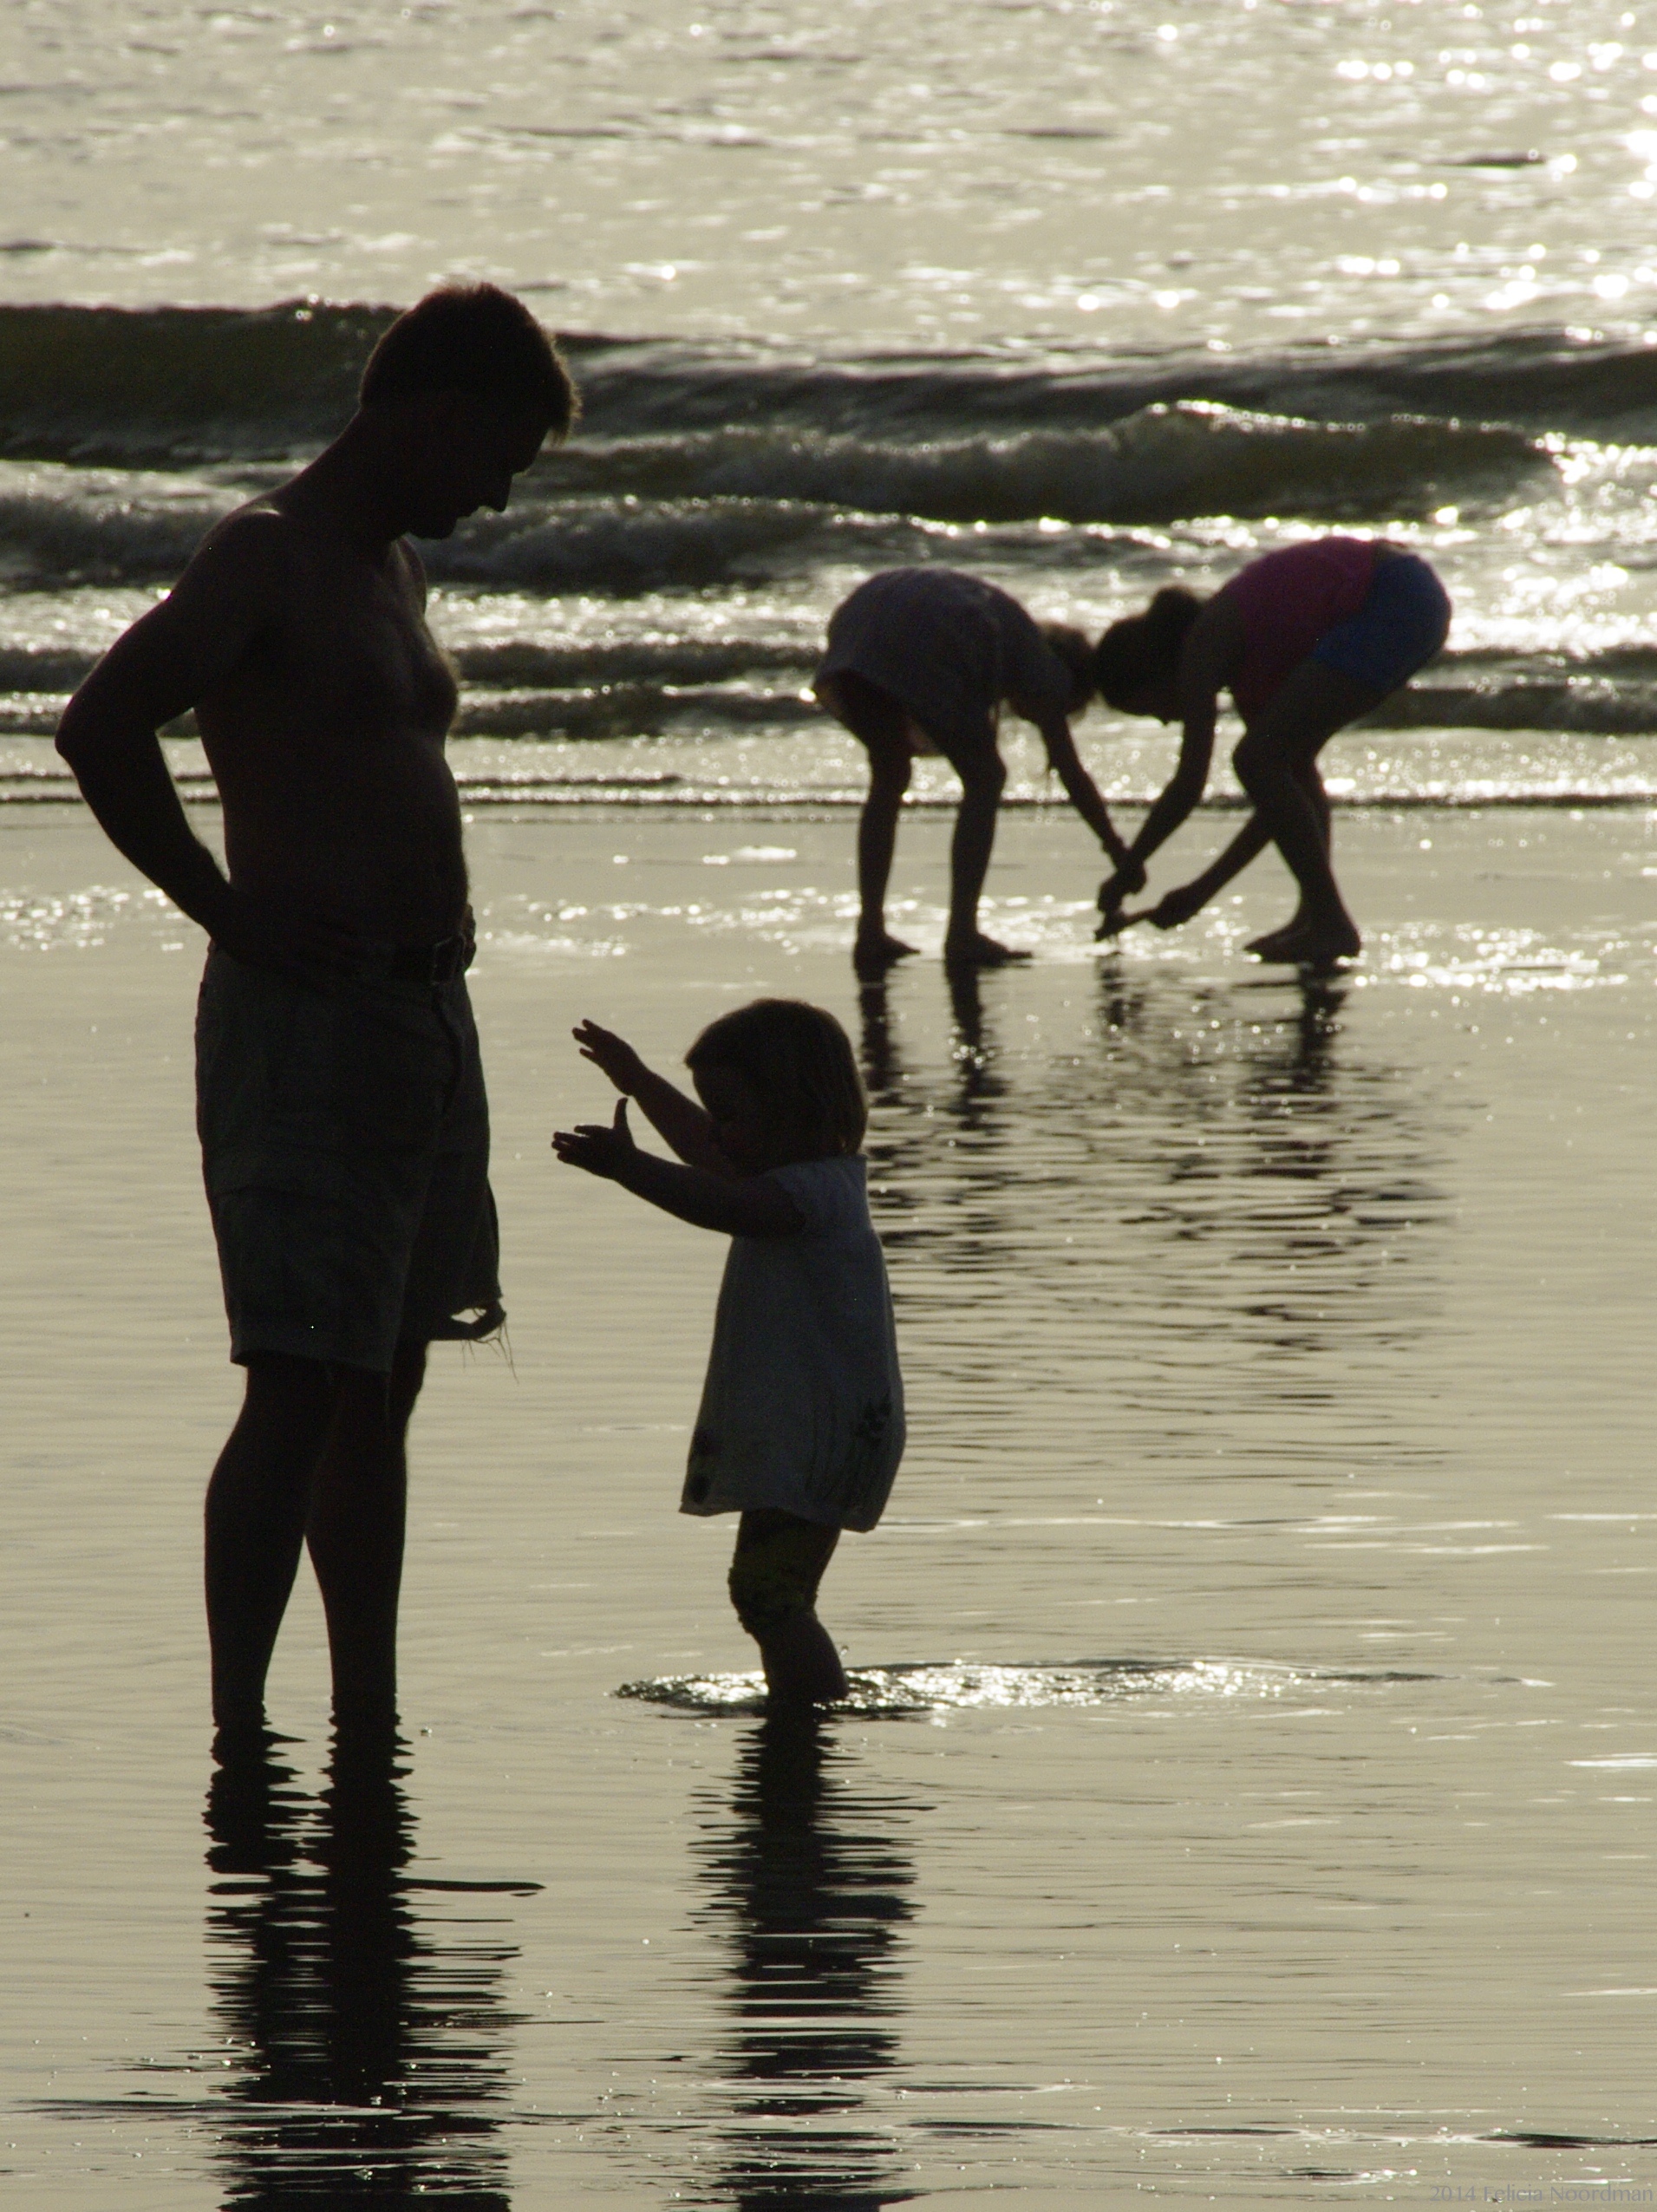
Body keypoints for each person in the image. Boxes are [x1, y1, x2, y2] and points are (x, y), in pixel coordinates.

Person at [55, 284, 578, 1745]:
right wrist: (225, 909)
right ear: (436, 414)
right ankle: (240, 1724)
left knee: (383, 1380)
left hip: (423, 1015)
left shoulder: (392, 562)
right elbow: (100, 724)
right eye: (497, 459)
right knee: (296, 1375)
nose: (496, 497)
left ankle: (365, 1715)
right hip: (308, 1022)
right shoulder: (267, 553)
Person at [551, 1001, 904, 1709]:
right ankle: (804, 1713)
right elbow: (706, 1154)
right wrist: (639, 1081)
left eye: (732, 1114)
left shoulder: (813, 1193)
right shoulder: (797, 1178)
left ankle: (807, 1720)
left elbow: (721, 1203)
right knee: (772, 1592)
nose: (715, 1132)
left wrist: (630, 1168)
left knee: (769, 1594)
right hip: (812, 1429)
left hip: (822, 1434)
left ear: (794, 1110)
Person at [1093, 537, 1452, 965]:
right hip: (1413, 595)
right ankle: (1315, 916)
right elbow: (1280, 803)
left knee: (1257, 759)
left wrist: (1128, 868)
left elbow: (1189, 785)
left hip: (1393, 597)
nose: (1166, 722)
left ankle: (1330, 921)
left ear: (1152, 673)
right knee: (1283, 765)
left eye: (1151, 710)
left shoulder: (1202, 647)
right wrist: (1200, 892)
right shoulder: (1246, 668)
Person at [814, 566, 1139, 974]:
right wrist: (1117, 849)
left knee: (889, 773)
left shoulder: (1009, 636)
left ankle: (870, 931)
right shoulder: (1045, 665)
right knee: (986, 778)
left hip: (863, 622)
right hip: (929, 631)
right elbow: (1070, 770)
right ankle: (962, 933)